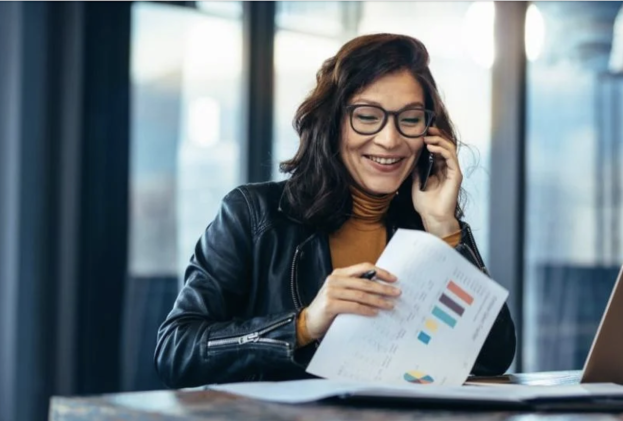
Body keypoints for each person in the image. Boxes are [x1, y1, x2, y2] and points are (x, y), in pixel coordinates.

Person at [154, 33, 516, 388]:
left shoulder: (425, 224)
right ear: (332, 123)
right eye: (367, 116)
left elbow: (492, 355)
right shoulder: (254, 214)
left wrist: (444, 228)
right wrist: (303, 324)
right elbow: (176, 350)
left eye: (409, 119)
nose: (390, 140)